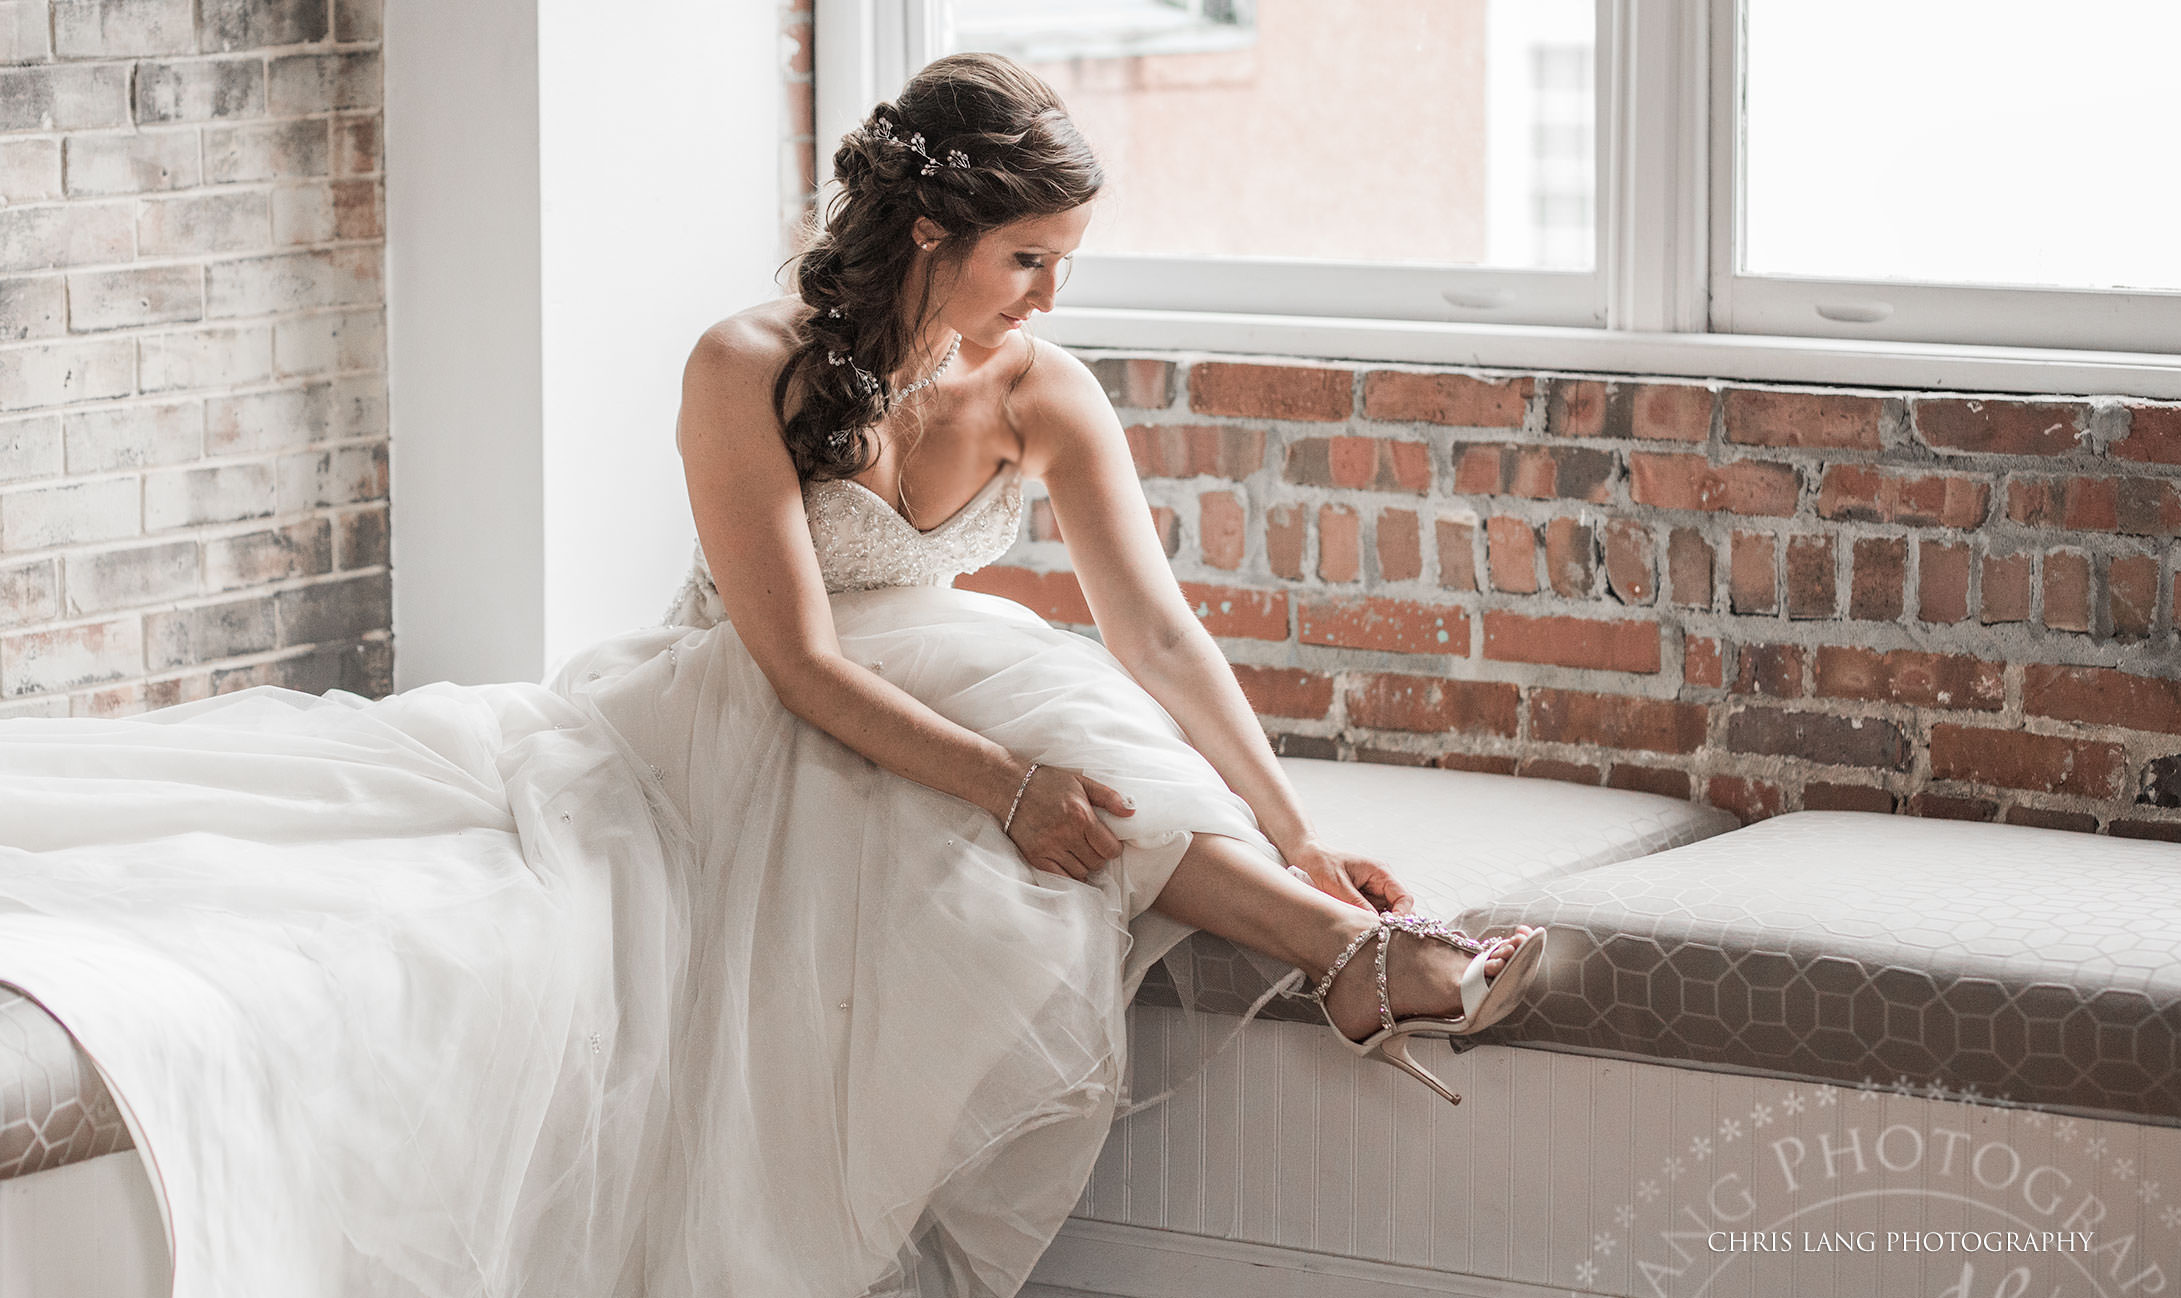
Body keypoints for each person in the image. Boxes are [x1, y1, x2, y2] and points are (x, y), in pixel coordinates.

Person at [0, 50, 1544, 1298]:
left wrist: (1291, 825)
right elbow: (795, 652)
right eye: (1028, 260)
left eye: (1065, 264)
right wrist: (1009, 787)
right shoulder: (746, 364)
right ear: (930, 233)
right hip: (735, 711)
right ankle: (1352, 960)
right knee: (1022, 686)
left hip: (937, 697)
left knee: (1045, 680)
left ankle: (1337, 934)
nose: (1049, 300)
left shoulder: (1042, 389)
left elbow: (1156, 634)